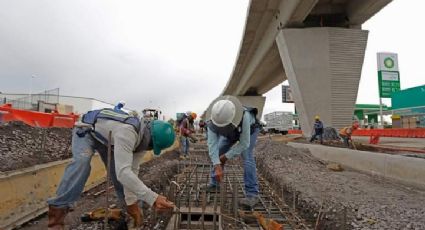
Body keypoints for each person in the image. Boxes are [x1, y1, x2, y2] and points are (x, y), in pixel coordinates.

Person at [47, 108, 175, 229]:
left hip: (109, 139)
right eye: (151, 146)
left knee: (121, 177)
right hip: (87, 130)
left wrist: (131, 203)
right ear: (151, 139)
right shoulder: (128, 133)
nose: (149, 149)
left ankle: (128, 213)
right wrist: (152, 198)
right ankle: (57, 215)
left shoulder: (142, 143)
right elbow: (123, 173)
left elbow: (131, 171)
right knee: (82, 164)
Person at [204, 96, 261, 209]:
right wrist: (217, 165)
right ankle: (215, 184)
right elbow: (212, 145)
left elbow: (244, 143)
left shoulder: (245, 116)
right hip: (230, 133)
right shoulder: (212, 119)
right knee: (219, 150)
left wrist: (225, 157)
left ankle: (252, 194)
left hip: (249, 131)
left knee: (247, 156)